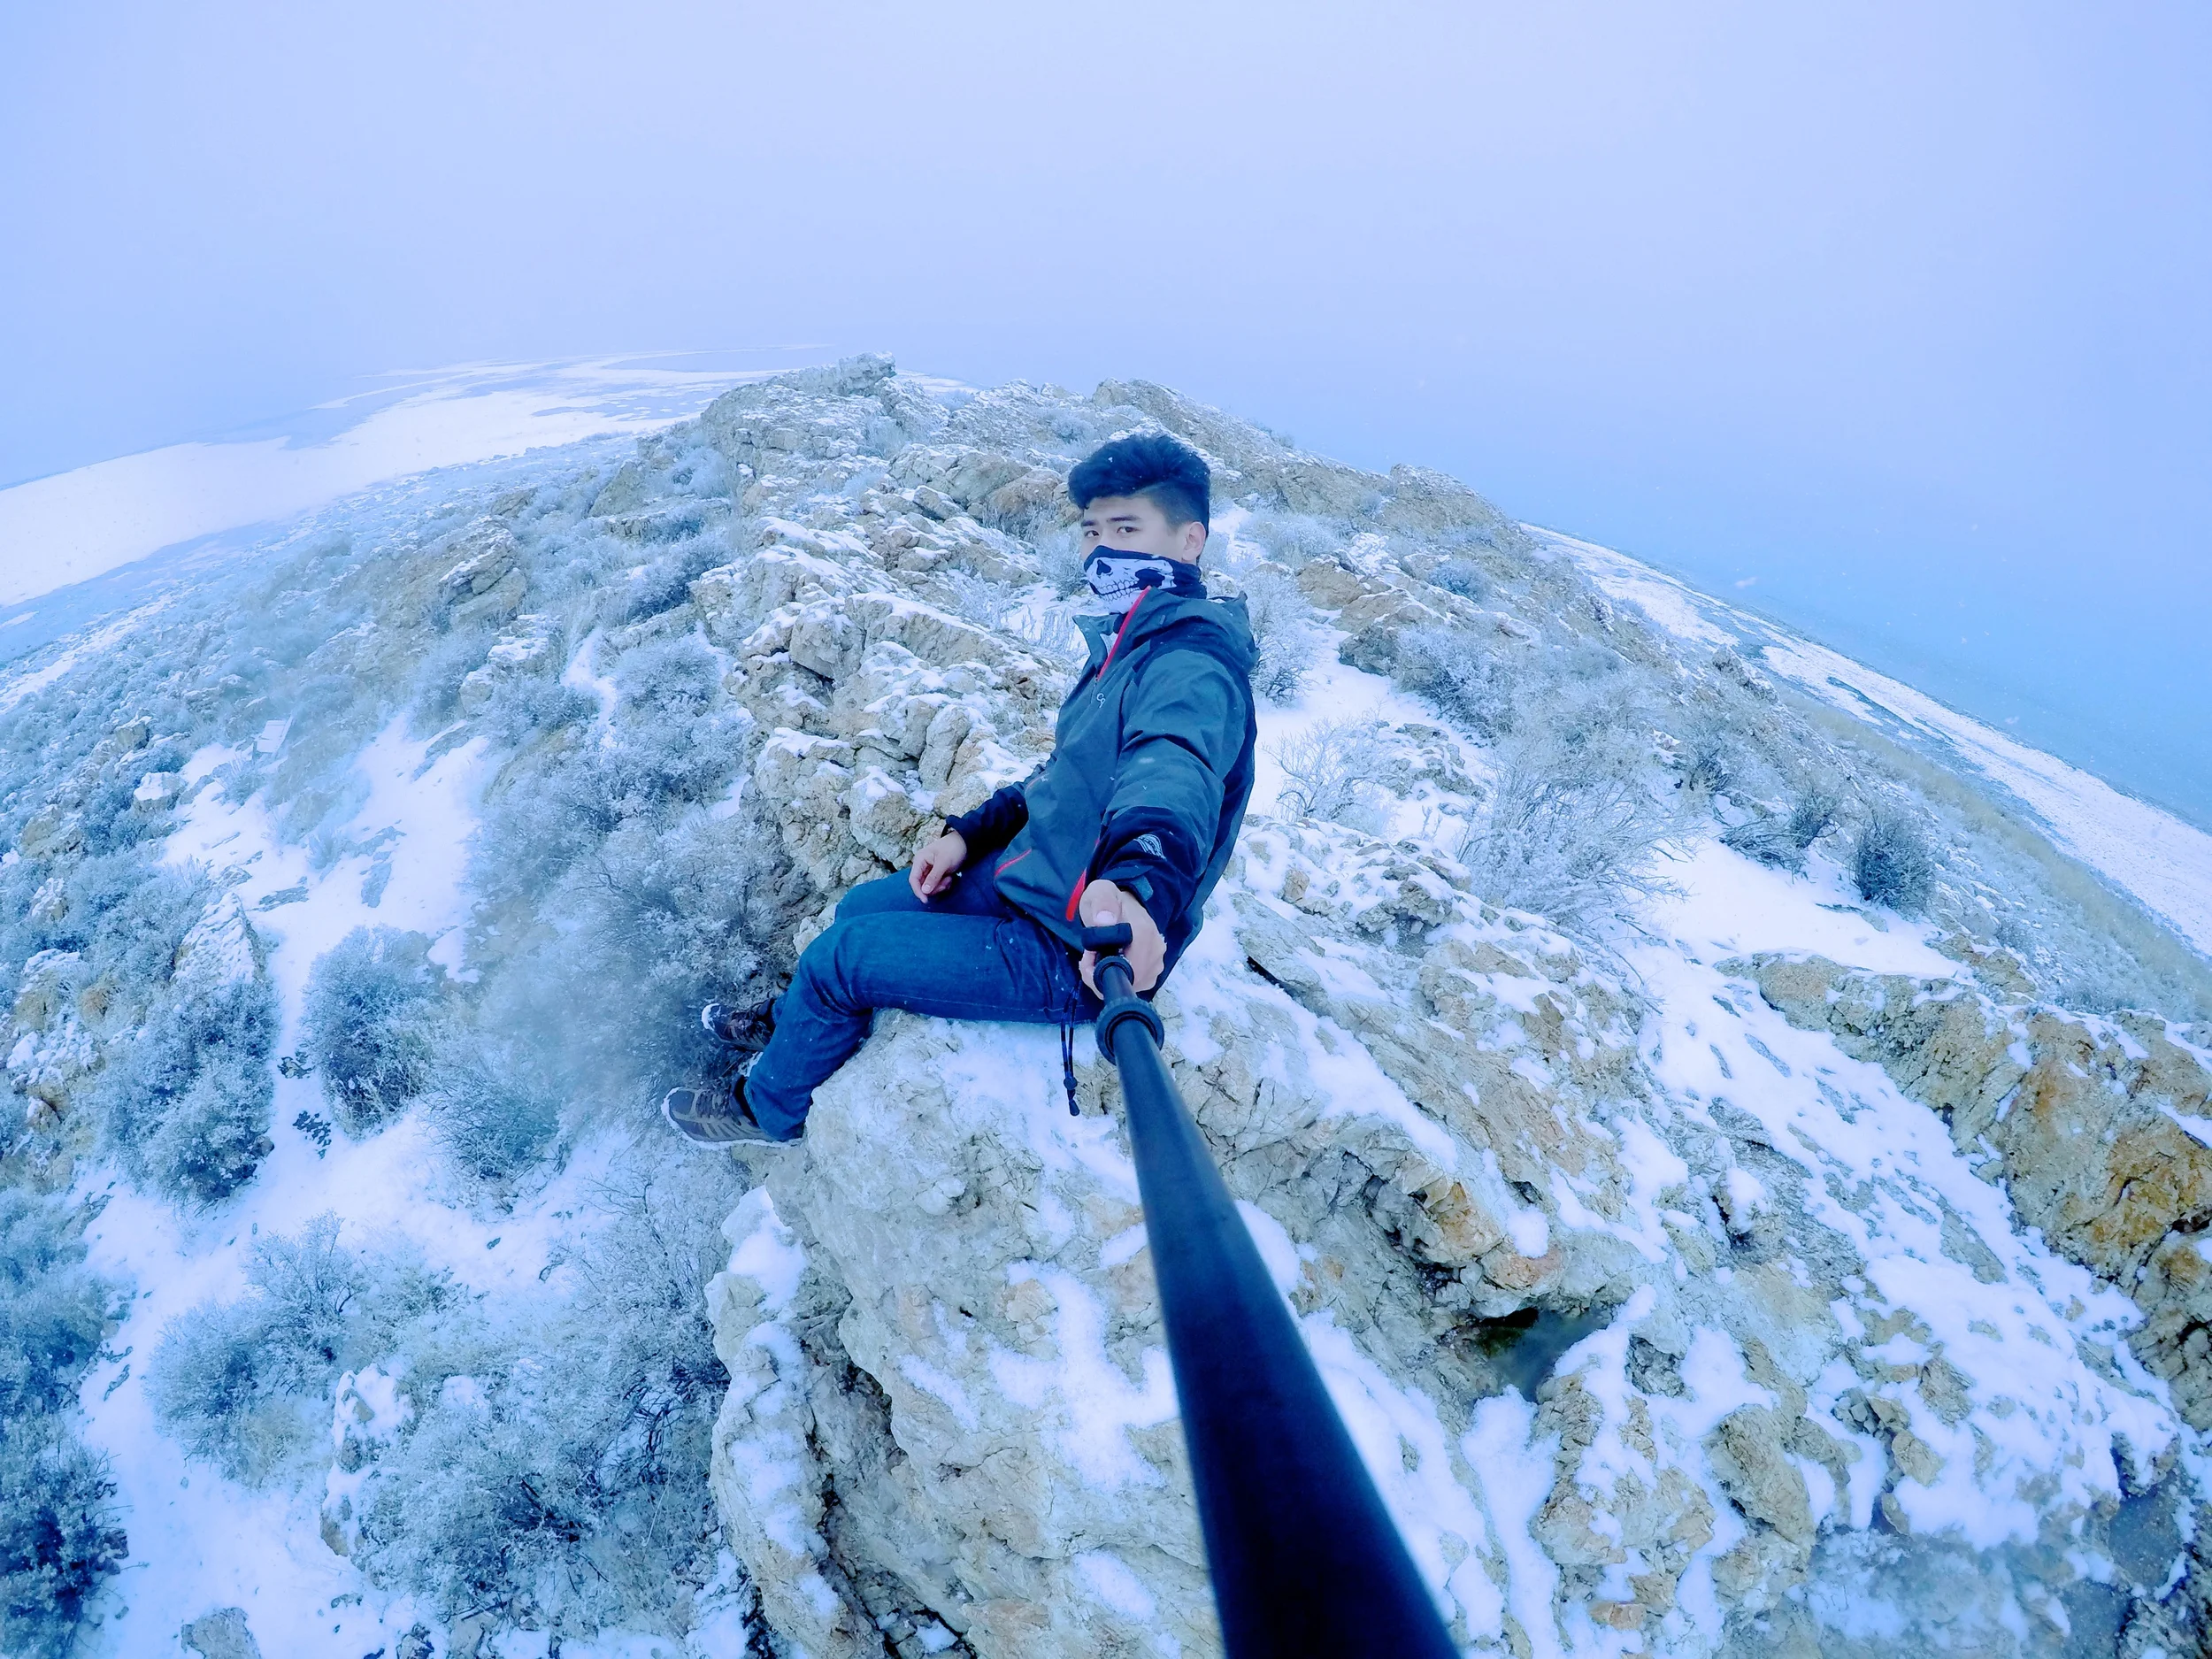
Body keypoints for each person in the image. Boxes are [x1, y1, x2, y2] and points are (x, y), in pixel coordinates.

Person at [663, 433, 1257, 1146]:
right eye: (1092, 531)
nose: (1102, 552)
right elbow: (1060, 777)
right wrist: (967, 833)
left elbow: (1173, 768)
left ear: (1190, 540)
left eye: (1127, 530)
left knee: (836, 962)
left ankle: (767, 1110)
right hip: (1032, 880)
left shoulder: (1190, 663)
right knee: (861, 905)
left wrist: (1140, 886)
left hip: (1074, 948)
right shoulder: (1127, 647)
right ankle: (793, 1021)